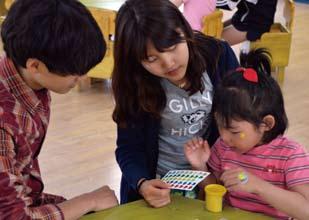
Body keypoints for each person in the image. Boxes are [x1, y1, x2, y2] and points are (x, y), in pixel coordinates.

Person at [112, 0, 239, 208]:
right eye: (151, 59)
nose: (168, 62)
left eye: (171, 47)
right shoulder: (134, 83)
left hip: (211, 180)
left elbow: (244, 114)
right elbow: (128, 147)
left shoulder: (218, 56)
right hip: (160, 186)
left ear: (185, 30)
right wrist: (143, 183)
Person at [0, 0, 118, 219]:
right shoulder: (3, 118)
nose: (82, 79)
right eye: (74, 73)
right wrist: (88, 200)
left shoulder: (30, 79)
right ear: (35, 66)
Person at [184, 49, 309, 219]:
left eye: (234, 131)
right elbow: (217, 190)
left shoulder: (290, 155)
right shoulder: (223, 147)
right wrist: (200, 168)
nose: (225, 137)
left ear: (266, 124)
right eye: (220, 126)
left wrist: (259, 186)